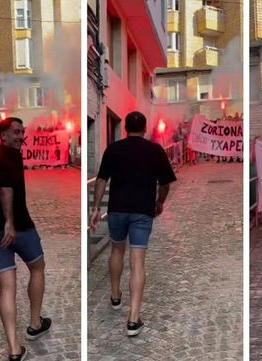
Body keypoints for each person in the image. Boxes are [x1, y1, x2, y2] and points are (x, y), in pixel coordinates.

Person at [89, 111, 177, 337]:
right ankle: (133, 319)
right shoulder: (155, 150)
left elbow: (101, 179)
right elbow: (166, 183)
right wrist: (159, 202)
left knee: (116, 251)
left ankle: (116, 296)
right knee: (137, 261)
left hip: (117, 210)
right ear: (145, 128)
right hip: (141, 212)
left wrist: (96, 208)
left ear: (126, 128)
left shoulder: (113, 149)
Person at [0, 118, 51, 361]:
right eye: (15, 132)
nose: (21, 136)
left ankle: (14, 349)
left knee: (8, 286)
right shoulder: (7, 157)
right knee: (37, 266)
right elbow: (5, 189)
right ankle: (34, 324)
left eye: (23, 132)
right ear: (2, 135)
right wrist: (9, 223)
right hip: (17, 228)